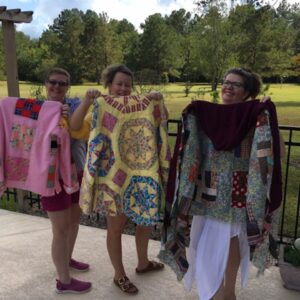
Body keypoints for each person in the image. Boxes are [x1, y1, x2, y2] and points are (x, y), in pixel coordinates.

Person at [159, 67, 284, 300]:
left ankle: (226, 291)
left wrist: (268, 115)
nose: (228, 86)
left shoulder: (254, 115)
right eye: (226, 82)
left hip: (237, 192)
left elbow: (275, 153)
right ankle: (220, 292)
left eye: (235, 84)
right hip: (208, 191)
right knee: (210, 241)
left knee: (231, 239)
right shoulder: (205, 114)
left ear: (246, 92)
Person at [69, 64, 170, 295]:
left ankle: (143, 264)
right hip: (112, 178)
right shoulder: (100, 105)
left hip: (142, 175)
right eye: (119, 84)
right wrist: (87, 100)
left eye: (127, 84)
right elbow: (75, 128)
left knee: (145, 221)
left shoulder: (143, 105)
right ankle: (119, 274)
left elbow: (161, 120)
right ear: (109, 85)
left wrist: (158, 100)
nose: (124, 88)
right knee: (115, 227)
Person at [41, 67, 92, 294]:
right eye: (53, 82)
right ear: (46, 84)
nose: (57, 87)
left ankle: (67, 259)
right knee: (60, 229)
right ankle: (64, 280)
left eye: (62, 83)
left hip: (77, 171)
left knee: (73, 223)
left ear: (68, 86)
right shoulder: (38, 110)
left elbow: (77, 130)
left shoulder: (75, 106)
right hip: (53, 178)